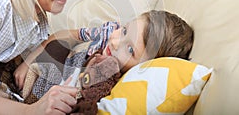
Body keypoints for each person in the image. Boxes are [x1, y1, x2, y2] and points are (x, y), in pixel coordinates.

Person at [14, 10, 194, 103]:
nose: (115, 41)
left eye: (130, 50)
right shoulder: (107, 33)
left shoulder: (117, 85)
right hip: (40, 63)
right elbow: (61, 36)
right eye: (124, 30)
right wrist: (29, 62)